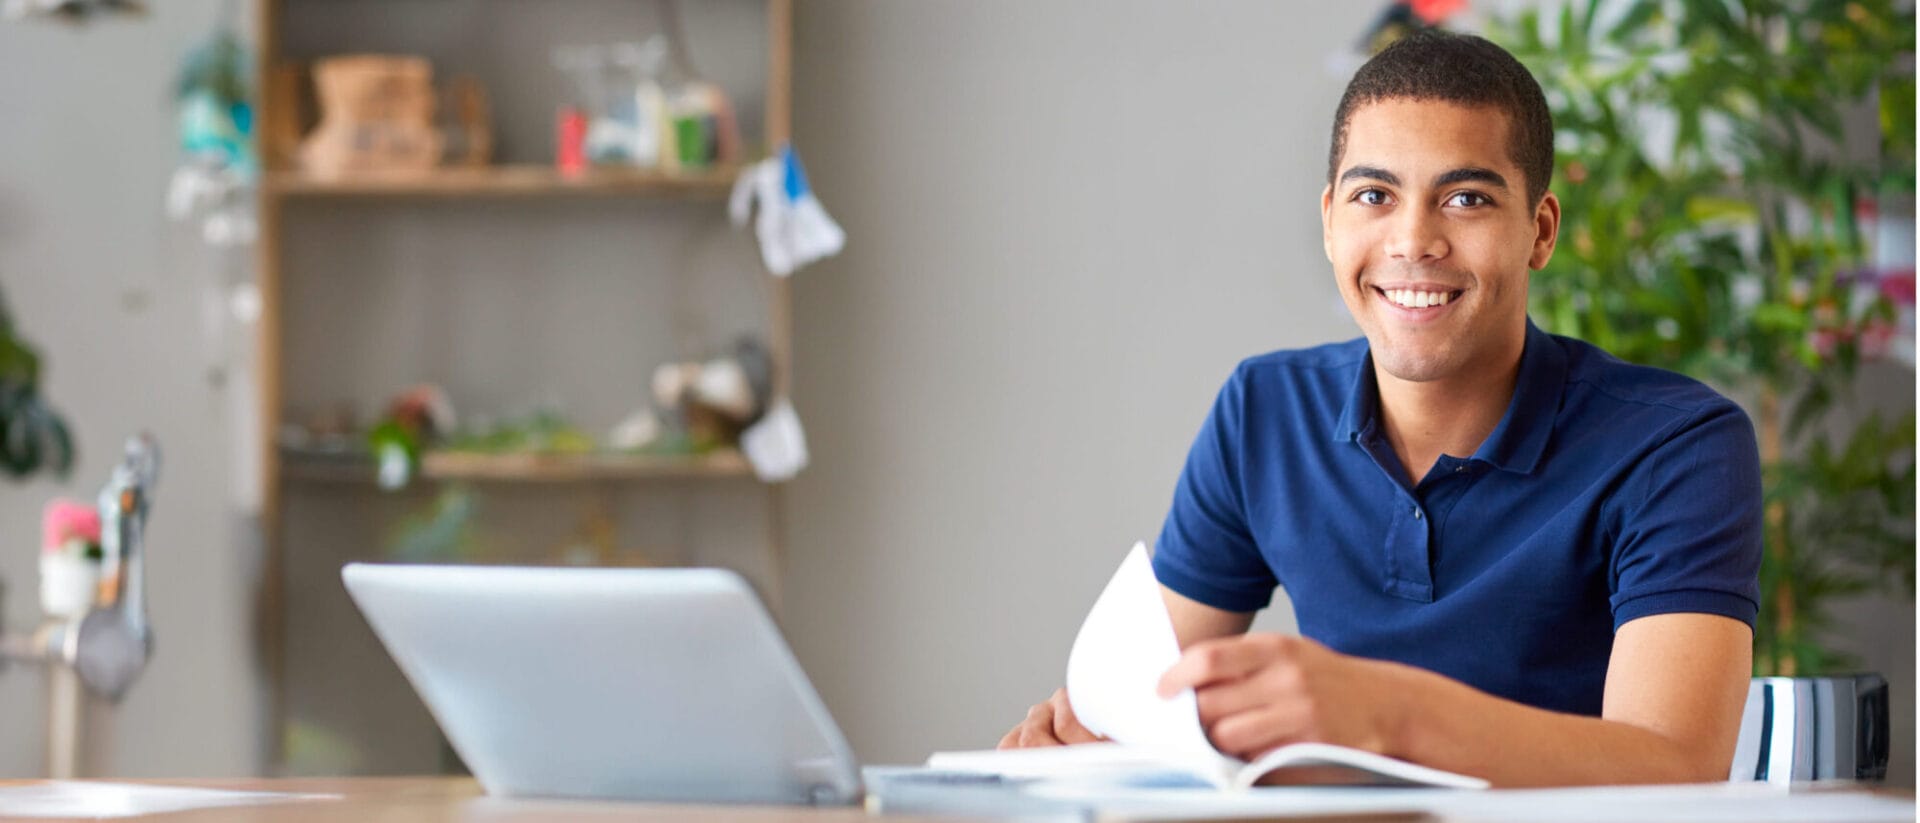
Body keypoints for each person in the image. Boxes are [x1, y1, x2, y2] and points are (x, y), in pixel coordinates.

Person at [999, 30, 1762, 787]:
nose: (1414, 240)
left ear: (1540, 229)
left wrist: (1389, 713)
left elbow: (1678, 764)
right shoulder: (1262, 413)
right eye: (1374, 195)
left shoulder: (1676, 444)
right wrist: (1090, 745)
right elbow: (1152, 703)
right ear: (1331, 220)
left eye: (1466, 198)